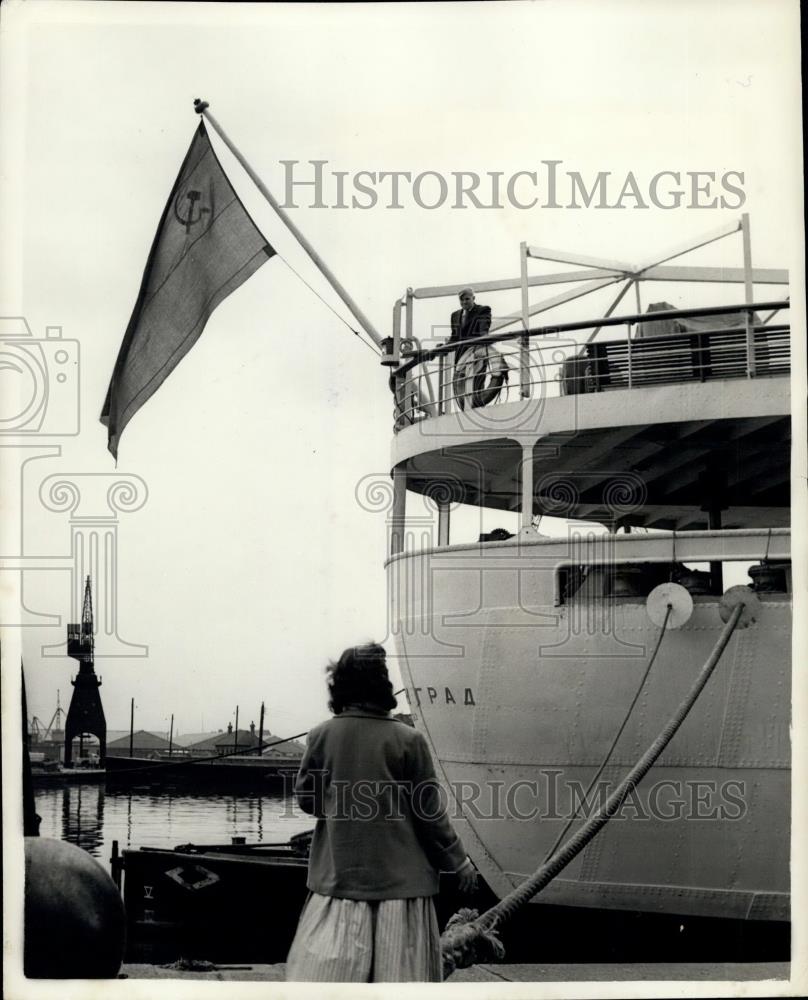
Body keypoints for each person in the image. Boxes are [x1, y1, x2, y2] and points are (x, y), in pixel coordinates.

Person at [285, 643, 476, 982]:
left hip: (339, 886)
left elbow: (307, 801)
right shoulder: (409, 741)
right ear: (383, 684)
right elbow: (430, 816)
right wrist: (458, 863)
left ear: (339, 686)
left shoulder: (320, 737)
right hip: (402, 894)